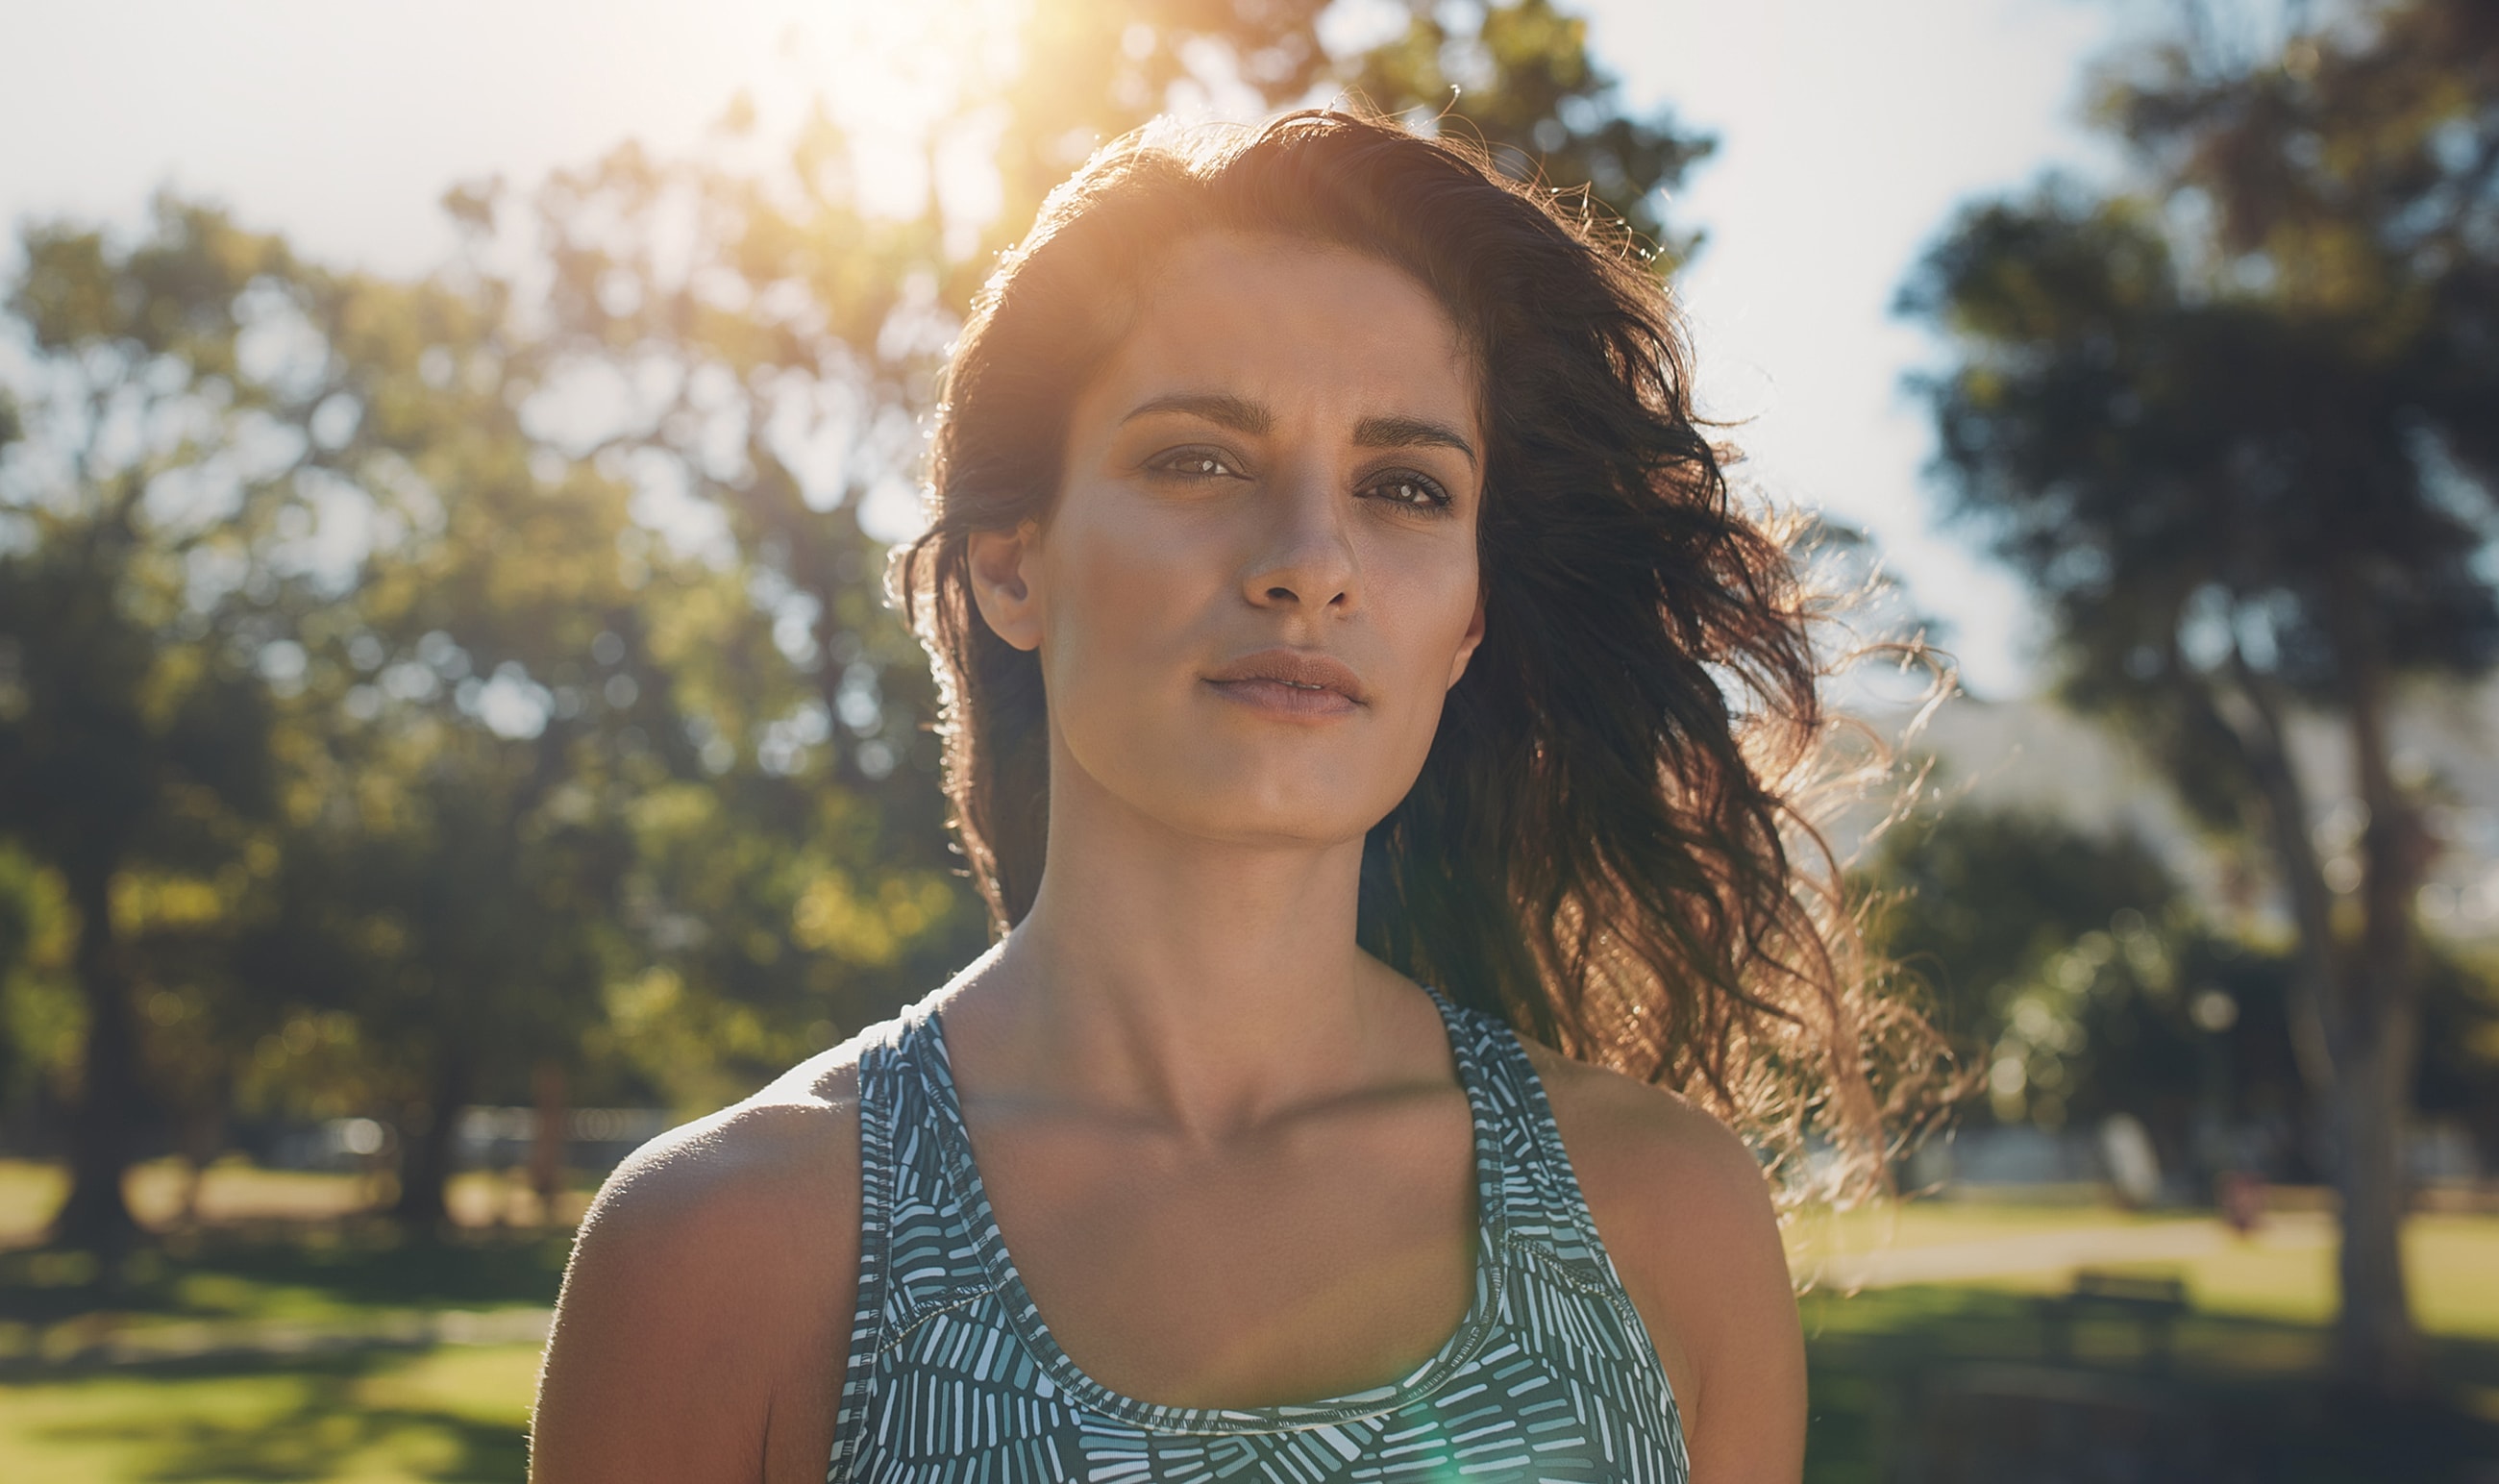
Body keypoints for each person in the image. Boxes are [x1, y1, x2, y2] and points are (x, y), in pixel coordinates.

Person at [532, 109, 1918, 1484]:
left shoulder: (1664, 1218)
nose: (1312, 561)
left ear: (1472, 621)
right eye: (1198, 459)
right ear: (1016, 567)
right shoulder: (729, 1247)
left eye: (1405, 486)